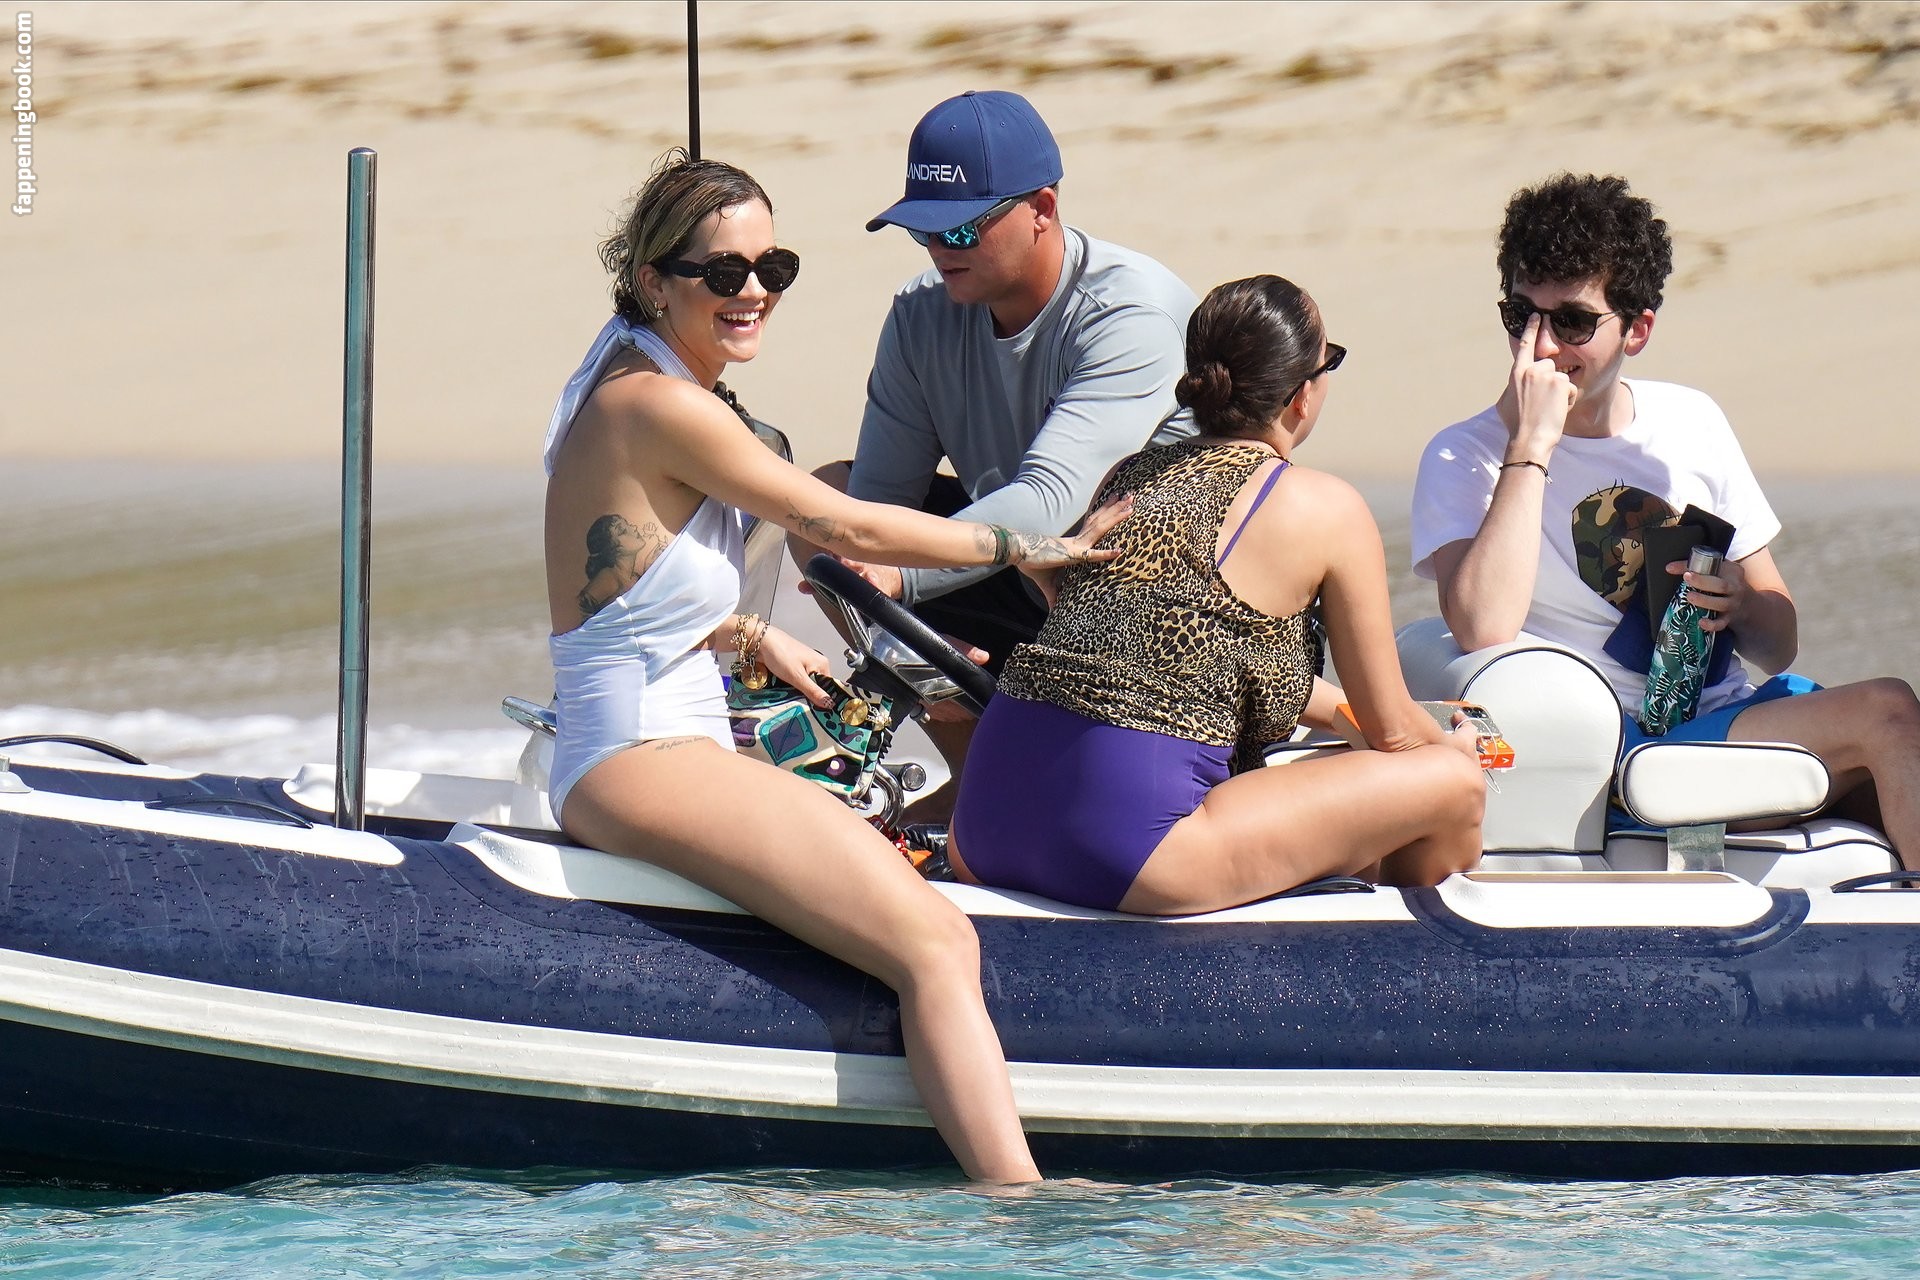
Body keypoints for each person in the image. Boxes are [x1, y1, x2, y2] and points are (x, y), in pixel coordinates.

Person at [542, 151, 1129, 1183]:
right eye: (724, 272)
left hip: (649, 737)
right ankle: (1020, 1206)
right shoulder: (660, 406)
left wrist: (747, 632)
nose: (755, 291)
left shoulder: (625, 373)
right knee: (936, 943)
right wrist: (1024, 545)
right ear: (651, 280)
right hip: (641, 753)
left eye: (774, 267)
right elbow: (842, 522)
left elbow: (618, 591)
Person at [1411, 172, 1920, 869]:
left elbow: (1780, 645)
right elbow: (1481, 628)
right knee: (1888, 711)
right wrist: (1530, 447)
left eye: (1573, 322)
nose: (1543, 345)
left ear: (1638, 329)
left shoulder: (1690, 419)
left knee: (1898, 748)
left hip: (1727, 718)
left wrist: (1742, 605)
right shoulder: (1464, 454)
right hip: (1616, 748)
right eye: (1522, 316)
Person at [946, 276, 1486, 915]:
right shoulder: (1324, 507)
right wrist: (1452, 745)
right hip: (1124, 849)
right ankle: (1386, 956)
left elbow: (1174, 662)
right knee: (1453, 785)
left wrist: (1344, 714)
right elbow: (1394, 732)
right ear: (1301, 395)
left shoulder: (1132, 476)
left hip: (984, 825)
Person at [790, 89, 1198, 819]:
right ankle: (976, 778)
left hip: (1152, 605)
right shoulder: (920, 313)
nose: (940, 249)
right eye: (923, 230)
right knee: (823, 505)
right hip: (1019, 568)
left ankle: (1020, 795)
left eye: (961, 228)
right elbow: (874, 507)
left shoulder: (1129, 316)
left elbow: (1047, 504)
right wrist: (896, 635)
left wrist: (895, 582)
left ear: (1042, 207)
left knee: (877, 550)